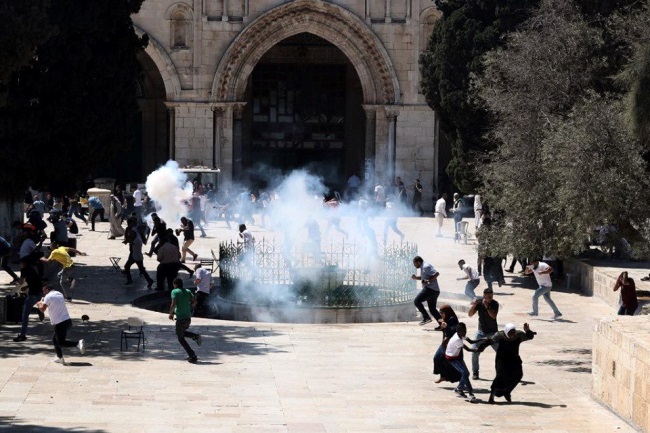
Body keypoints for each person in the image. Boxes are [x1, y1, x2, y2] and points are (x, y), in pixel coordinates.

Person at [472, 322, 536, 403]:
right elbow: (489, 341)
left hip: (514, 359)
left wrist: (527, 330)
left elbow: (530, 337)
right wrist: (481, 347)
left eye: (513, 332)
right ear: (506, 331)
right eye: (510, 332)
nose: (512, 334)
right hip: (502, 360)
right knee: (500, 377)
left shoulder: (518, 335)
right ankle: (492, 395)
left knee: (518, 375)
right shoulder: (499, 335)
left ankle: (507, 391)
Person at [37, 284, 86, 364]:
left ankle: (77, 343)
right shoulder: (59, 294)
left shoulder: (48, 296)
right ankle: (60, 357)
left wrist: (39, 304)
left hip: (60, 323)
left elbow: (42, 309)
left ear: (47, 290)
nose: (44, 293)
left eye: (44, 291)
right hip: (67, 320)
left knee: (60, 343)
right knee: (54, 339)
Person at [467, 287, 499, 380]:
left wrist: (487, 306)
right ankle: (475, 372)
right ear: (484, 295)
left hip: (493, 333)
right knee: (474, 352)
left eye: (491, 296)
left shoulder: (494, 304)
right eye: (488, 296)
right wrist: (474, 305)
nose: (490, 298)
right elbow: (470, 314)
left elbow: (493, 316)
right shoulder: (480, 303)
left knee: (501, 353)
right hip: (481, 333)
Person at [444, 322, 480, 402]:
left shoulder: (461, 335)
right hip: (452, 358)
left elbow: (471, 341)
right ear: (458, 331)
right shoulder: (457, 339)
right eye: (463, 331)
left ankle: (459, 389)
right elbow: (468, 349)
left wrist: (482, 340)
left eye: (465, 330)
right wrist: (477, 350)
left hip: (457, 356)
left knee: (466, 373)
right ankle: (471, 394)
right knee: (465, 373)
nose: (465, 332)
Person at [169, 278, 202, 363]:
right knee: (181, 333)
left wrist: (171, 313)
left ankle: (192, 355)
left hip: (180, 318)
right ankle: (195, 336)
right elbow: (194, 302)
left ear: (175, 284)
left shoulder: (174, 291)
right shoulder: (187, 291)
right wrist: (189, 307)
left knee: (180, 338)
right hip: (188, 317)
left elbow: (173, 304)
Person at [13, 259, 45, 342]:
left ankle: (22, 335)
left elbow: (21, 282)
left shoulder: (24, 270)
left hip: (33, 295)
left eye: (20, 263)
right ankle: (39, 310)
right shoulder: (32, 269)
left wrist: (16, 285)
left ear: (24, 263)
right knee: (26, 308)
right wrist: (26, 287)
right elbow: (33, 282)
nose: (19, 265)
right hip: (39, 293)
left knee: (24, 315)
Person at [432, 305, 461, 384]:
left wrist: (446, 326)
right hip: (445, 343)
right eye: (440, 313)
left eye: (442, 313)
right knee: (438, 359)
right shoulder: (446, 319)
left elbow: (453, 331)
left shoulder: (452, 319)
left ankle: (456, 378)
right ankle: (444, 376)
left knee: (446, 361)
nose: (441, 314)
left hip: (451, 345)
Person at [411, 256, 442, 326]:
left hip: (430, 289)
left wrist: (428, 282)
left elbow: (437, 273)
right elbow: (423, 277)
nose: (414, 265)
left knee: (417, 301)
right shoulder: (423, 267)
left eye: (414, 263)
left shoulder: (426, 266)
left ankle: (426, 317)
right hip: (434, 290)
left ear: (418, 262)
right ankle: (442, 325)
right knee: (432, 309)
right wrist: (416, 277)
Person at [123, 218, 154, 288]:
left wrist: (127, 241)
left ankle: (130, 280)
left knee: (127, 266)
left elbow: (131, 239)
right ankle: (149, 280)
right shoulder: (137, 232)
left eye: (129, 223)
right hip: (138, 255)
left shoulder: (134, 232)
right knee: (141, 270)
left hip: (135, 255)